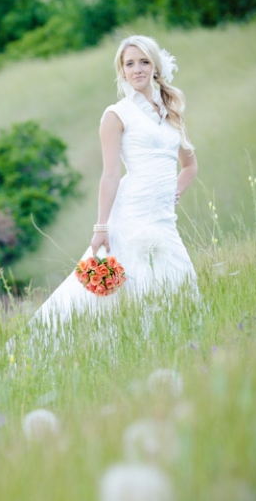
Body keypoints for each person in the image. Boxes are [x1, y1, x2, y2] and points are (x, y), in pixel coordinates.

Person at [32, 35, 199, 327]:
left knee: (177, 277)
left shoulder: (172, 113)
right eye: (130, 64)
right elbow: (110, 174)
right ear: (122, 71)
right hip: (132, 210)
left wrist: (174, 193)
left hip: (162, 215)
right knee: (131, 282)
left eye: (144, 62)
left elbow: (190, 165)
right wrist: (101, 226)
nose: (137, 69)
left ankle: (176, 333)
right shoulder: (116, 115)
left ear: (155, 67)